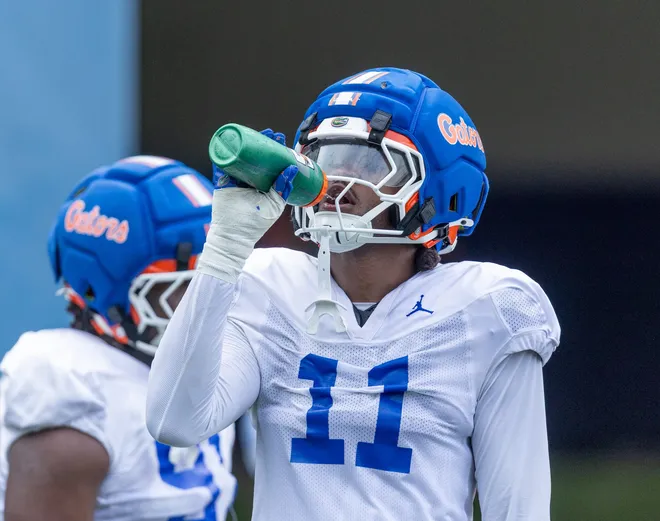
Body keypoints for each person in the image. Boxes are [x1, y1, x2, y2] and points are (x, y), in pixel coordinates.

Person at [146, 68, 561, 521]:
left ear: (436, 190)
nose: (333, 181)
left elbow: (518, 509)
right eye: (322, 159)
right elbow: (174, 420)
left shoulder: (487, 309)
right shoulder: (268, 284)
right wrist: (225, 246)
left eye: (366, 163)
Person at [0, 156, 238, 521]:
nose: (208, 304)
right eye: (185, 288)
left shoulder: (196, 368)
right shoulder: (76, 391)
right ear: (107, 292)